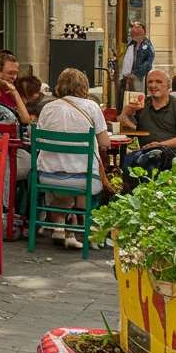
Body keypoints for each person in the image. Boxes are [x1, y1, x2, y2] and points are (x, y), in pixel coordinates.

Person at [34, 68, 110, 250]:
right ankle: (81, 229)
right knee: (84, 183)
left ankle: (62, 229)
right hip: (82, 178)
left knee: (65, 182)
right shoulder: (91, 107)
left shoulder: (48, 107)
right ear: (85, 86)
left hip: (47, 176)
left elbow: (38, 139)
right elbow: (105, 142)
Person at [120, 69, 176, 187]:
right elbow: (125, 128)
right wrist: (125, 114)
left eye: (158, 82)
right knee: (130, 160)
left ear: (169, 87)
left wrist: (159, 144)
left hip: (172, 154)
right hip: (146, 153)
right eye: (150, 82)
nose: (153, 85)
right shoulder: (142, 105)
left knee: (152, 156)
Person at [117, 21, 155, 111]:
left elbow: (148, 63)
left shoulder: (147, 45)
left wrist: (135, 73)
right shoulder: (132, 44)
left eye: (136, 32)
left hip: (138, 77)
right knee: (126, 97)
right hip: (127, 76)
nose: (133, 34)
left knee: (137, 97)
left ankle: (138, 113)